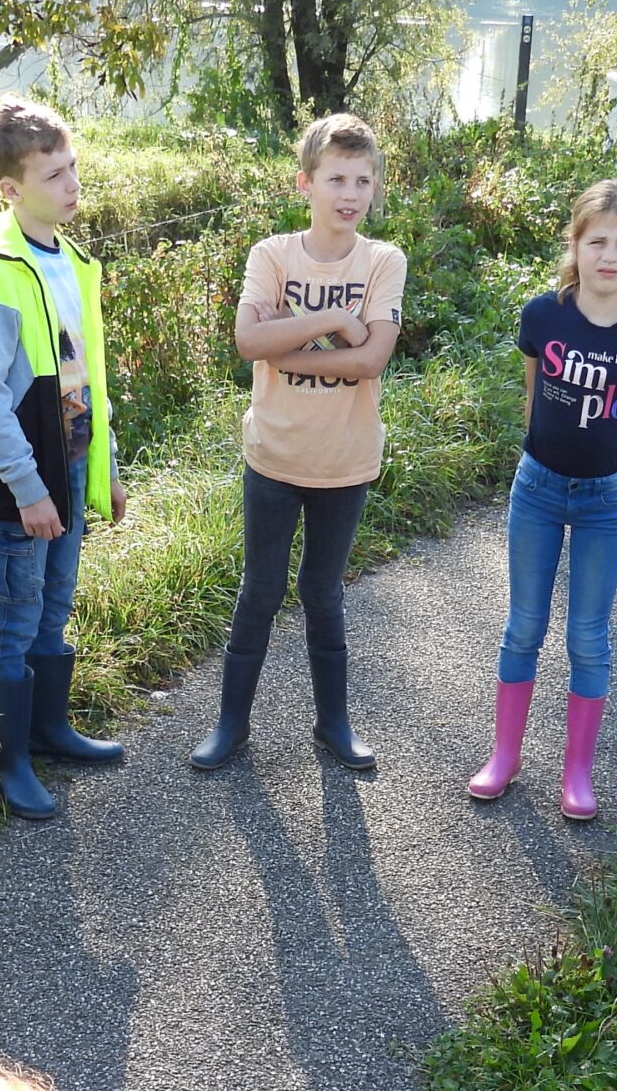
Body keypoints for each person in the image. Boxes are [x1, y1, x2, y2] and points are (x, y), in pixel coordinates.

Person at [189, 113, 406, 771]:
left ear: (373, 189)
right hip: (274, 457)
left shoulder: (383, 260)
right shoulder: (272, 255)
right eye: (336, 177)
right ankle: (231, 725)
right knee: (259, 588)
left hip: (346, 460)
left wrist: (291, 344)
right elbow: (249, 341)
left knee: (322, 590)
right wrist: (338, 320)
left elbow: (371, 362)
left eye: (362, 180)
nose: (349, 192)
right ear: (305, 183)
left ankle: (333, 724)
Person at [466, 179, 617, 820]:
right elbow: (534, 398)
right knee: (523, 626)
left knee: (588, 636)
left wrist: (614, 480)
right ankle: (505, 755)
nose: (608, 256)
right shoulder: (543, 316)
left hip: (607, 501)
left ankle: (576, 773)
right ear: (575, 245)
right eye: (596, 242)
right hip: (538, 490)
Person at [0, 97, 128, 820]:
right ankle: (11, 758)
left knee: (55, 606)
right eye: (54, 174)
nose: (71, 183)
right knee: (16, 614)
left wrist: (108, 464)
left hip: (71, 463)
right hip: (18, 482)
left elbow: (89, 376)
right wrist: (28, 489)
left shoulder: (74, 262)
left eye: (73, 167)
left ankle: (50, 729)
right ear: (11, 189)